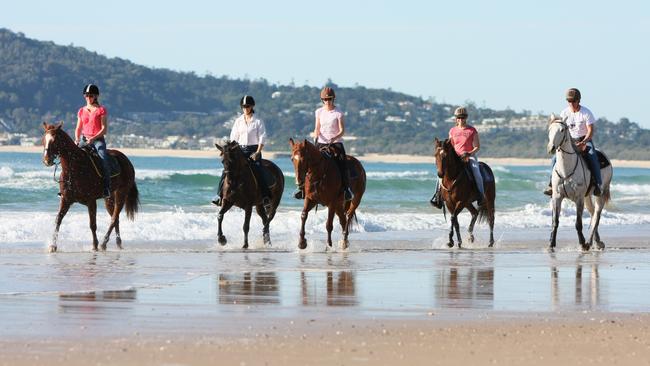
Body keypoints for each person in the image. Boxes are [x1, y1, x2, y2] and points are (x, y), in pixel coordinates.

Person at [212, 95, 272, 212]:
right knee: (227, 169)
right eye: (243, 106)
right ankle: (219, 195)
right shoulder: (238, 121)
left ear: (252, 106)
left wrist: (258, 152)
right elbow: (233, 137)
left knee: (258, 171)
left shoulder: (258, 121)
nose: (245, 108)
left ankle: (265, 198)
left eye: (247, 106)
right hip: (240, 150)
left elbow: (262, 137)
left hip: (254, 150)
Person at [294, 87, 353, 201]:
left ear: (333, 99)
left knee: (342, 164)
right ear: (322, 100)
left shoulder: (338, 113)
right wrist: (315, 135)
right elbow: (317, 127)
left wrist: (334, 137)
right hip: (321, 142)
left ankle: (346, 190)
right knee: (308, 163)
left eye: (329, 99)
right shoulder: (319, 112)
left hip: (335, 143)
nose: (327, 101)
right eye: (325, 99)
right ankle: (302, 189)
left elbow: (342, 131)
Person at [543, 88, 603, 196]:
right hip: (569, 141)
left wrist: (584, 141)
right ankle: (551, 185)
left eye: (573, 101)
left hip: (584, 139)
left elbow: (590, 130)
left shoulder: (586, 112)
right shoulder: (564, 113)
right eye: (569, 101)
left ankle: (598, 184)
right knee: (554, 159)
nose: (571, 103)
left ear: (578, 100)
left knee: (592, 155)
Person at [431, 107, 485, 207]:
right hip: (455, 157)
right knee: (441, 173)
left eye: (463, 117)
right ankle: (438, 197)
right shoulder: (452, 131)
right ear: (456, 119)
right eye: (458, 117)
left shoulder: (472, 130)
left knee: (476, 172)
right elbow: (450, 145)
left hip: (469, 156)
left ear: (466, 118)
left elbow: (477, 147)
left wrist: (469, 153)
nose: (461, 119)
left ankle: (481, 196)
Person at [75, 83, 111, 198]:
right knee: (71, 157)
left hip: (97, 140)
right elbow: (78, 128)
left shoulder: (101, 110)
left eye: (91, 95)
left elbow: (104, 129)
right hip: (83, 139)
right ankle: (68, 186)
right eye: (86, 95)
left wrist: (93, 138)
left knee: (104, 159)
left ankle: (106, 188)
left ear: (96, 96)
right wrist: (76, 139)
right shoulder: (81, 111)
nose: (88, 98)